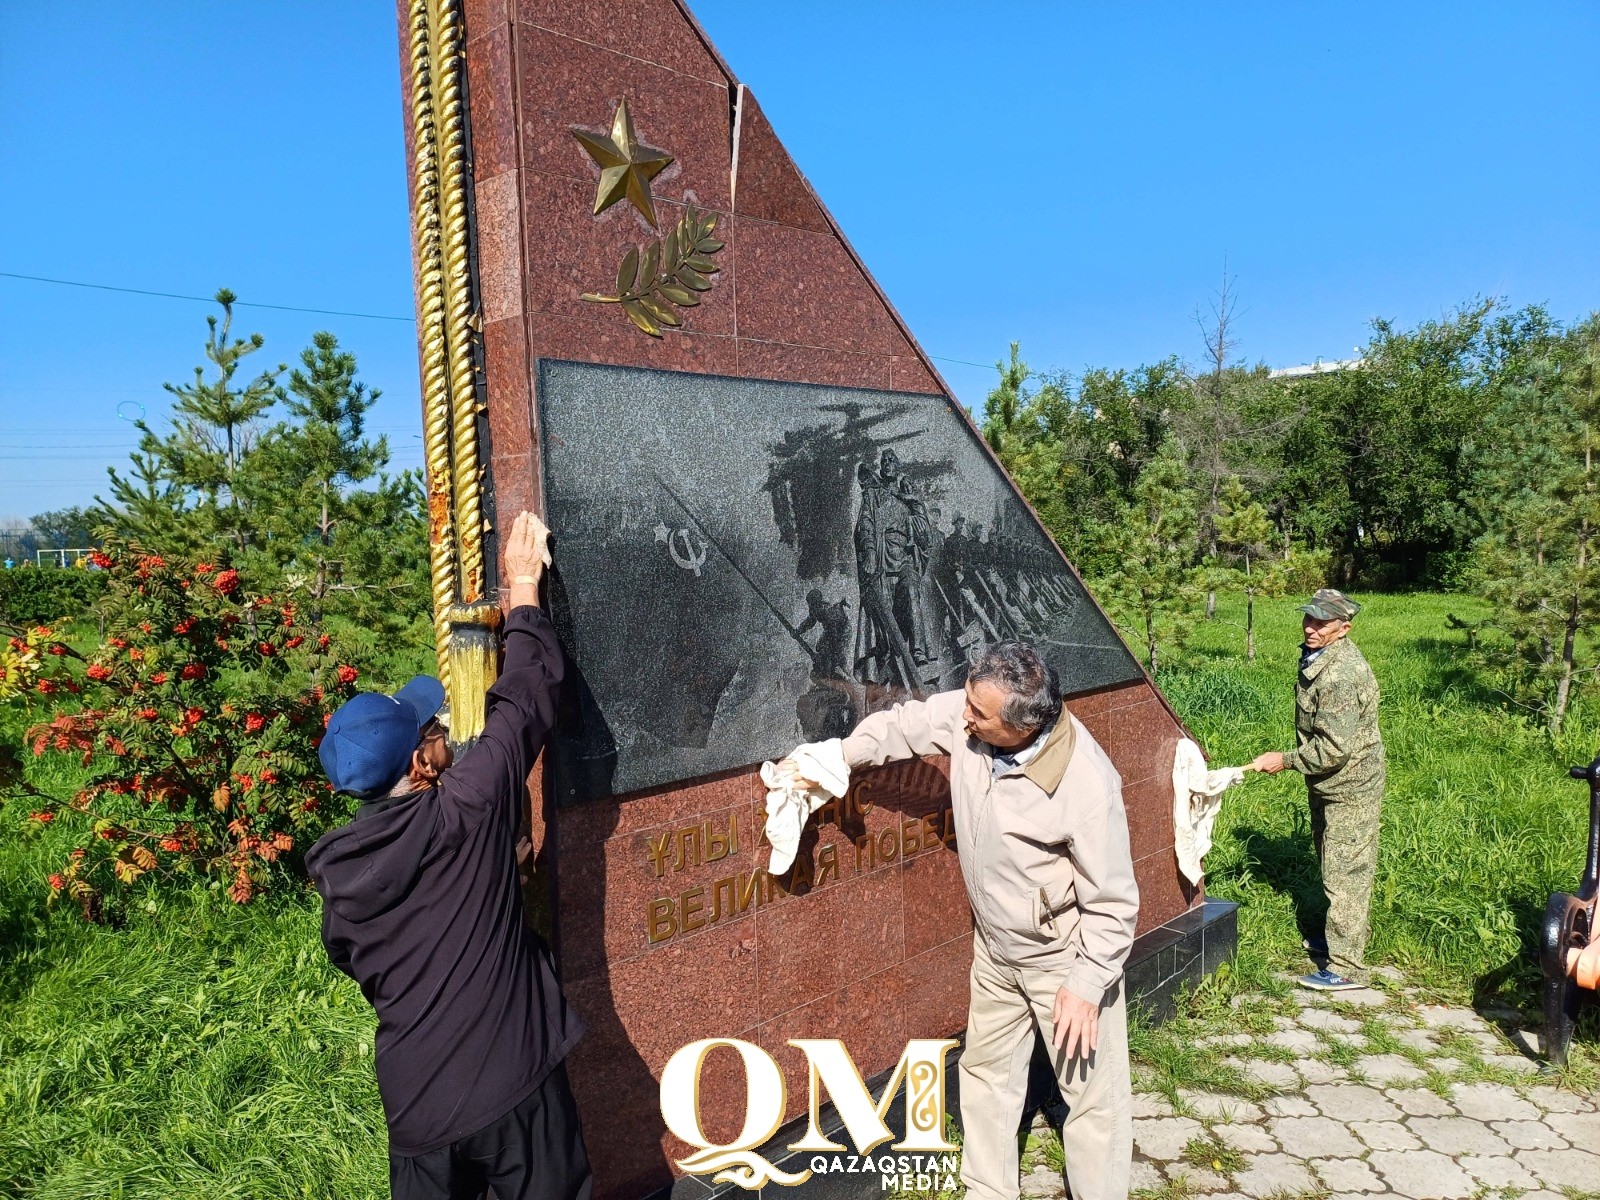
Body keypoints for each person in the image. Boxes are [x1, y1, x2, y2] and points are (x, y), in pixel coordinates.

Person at [305, 511, 590, 1200]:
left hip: (417, 1113)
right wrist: (524, 586)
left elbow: (352, 958)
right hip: (511, 1085)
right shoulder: (468, 804)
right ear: (421, 762)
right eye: (430, 729)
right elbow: (524, 699)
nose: (440, 730)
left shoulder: (339, 873)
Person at [793, 641, 1137, 1200]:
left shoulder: (1087, 783)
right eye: (969, 705)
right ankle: (987, 1191)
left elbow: (1114, 902)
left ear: (1024, 726)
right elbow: (905, 725)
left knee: (1093, 1100)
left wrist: (1087, 984)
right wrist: (838, 757)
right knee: (987, 1079)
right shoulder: (977, 715)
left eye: (979, 714)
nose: (965, 719)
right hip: (997, 953)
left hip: (1064, 962)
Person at [1249, 588, 1386, 992]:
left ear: (1344, 628)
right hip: (1328, 783)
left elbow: (1333, 749)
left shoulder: (1342, 675)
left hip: (1351, 784)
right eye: (1308, 619)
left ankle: (1347, 968)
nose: (1311, 628)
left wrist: (1285, 760)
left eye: (1321, 623)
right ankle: (1344, 939)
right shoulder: (1317, 657)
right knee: (1333, 866)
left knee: (1345, 876)